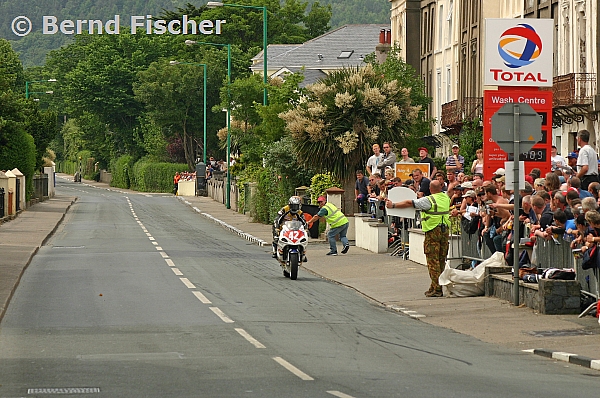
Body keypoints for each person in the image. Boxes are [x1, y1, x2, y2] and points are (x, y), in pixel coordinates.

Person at [385, 180, 450, 297]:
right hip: (445, 231)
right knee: (441, 260)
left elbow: (410, 203)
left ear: (430, 189)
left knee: (432, 261)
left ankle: (437, 289)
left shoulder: (428, 200)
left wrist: (393, 205)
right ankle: (434, 286)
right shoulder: (445, 197)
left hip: (433, 231)